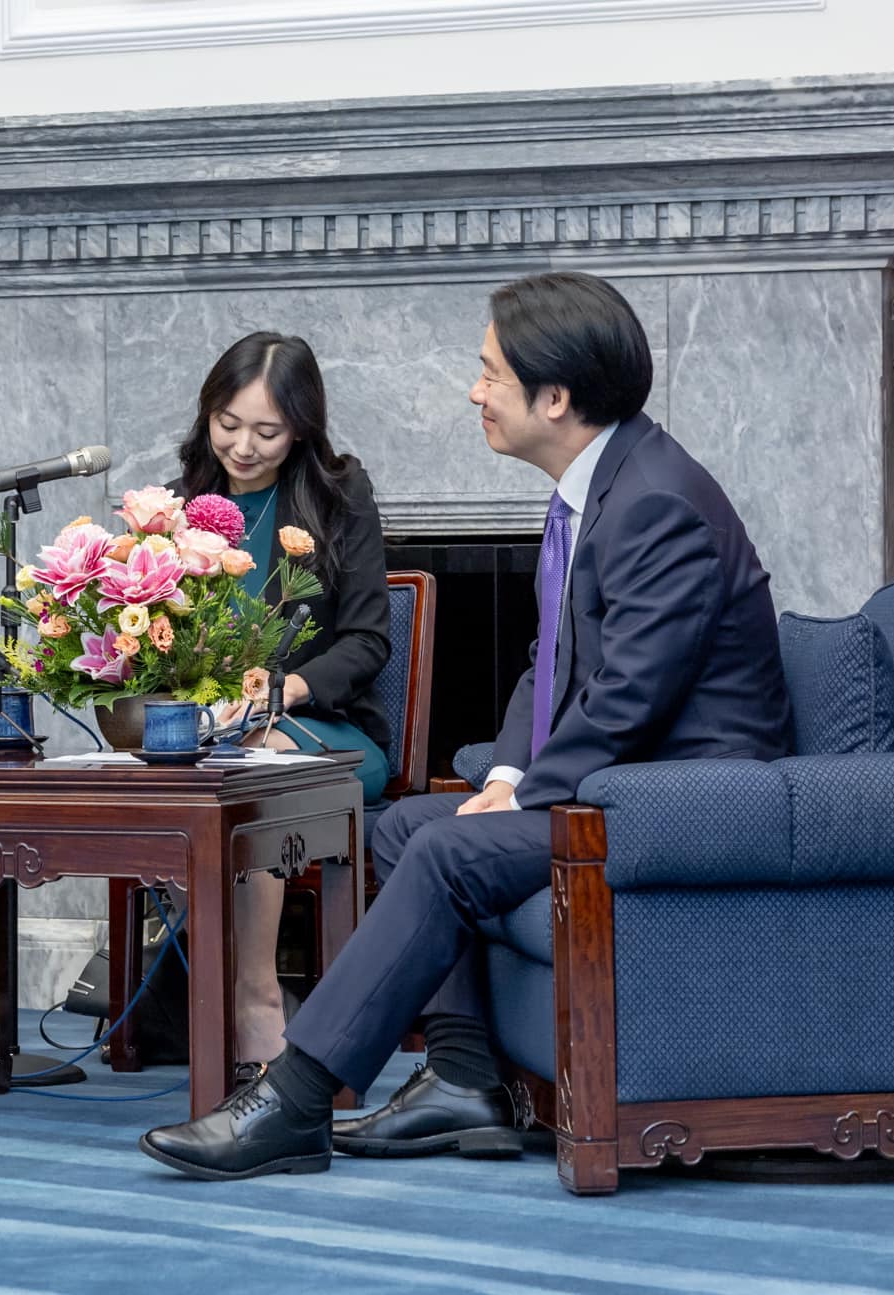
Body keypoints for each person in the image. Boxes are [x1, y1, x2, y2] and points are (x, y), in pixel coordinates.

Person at [139, 271, 793, 1180]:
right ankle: (463, 1077)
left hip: (684, 798)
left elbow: (629, 699)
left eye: (491, 374)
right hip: (626, 778)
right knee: (412, 823)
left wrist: (525, 787)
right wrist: (504, 774)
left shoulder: (656, 507)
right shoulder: (599, 490)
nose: (474, 391)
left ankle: (293, 1099)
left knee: (448, 849)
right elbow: (548, 663)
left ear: (554, 397)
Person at [170, 332, 393, 1074]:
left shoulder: (338, 495)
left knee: (258, 774)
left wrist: (285, 690)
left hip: (324, 734)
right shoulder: (182, 508)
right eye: (227, 424)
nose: (242, 446)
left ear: (301, 425)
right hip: (213, 734)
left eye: (266, 431)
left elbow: (367, 640)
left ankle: (256, 996)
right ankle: (187, 997)